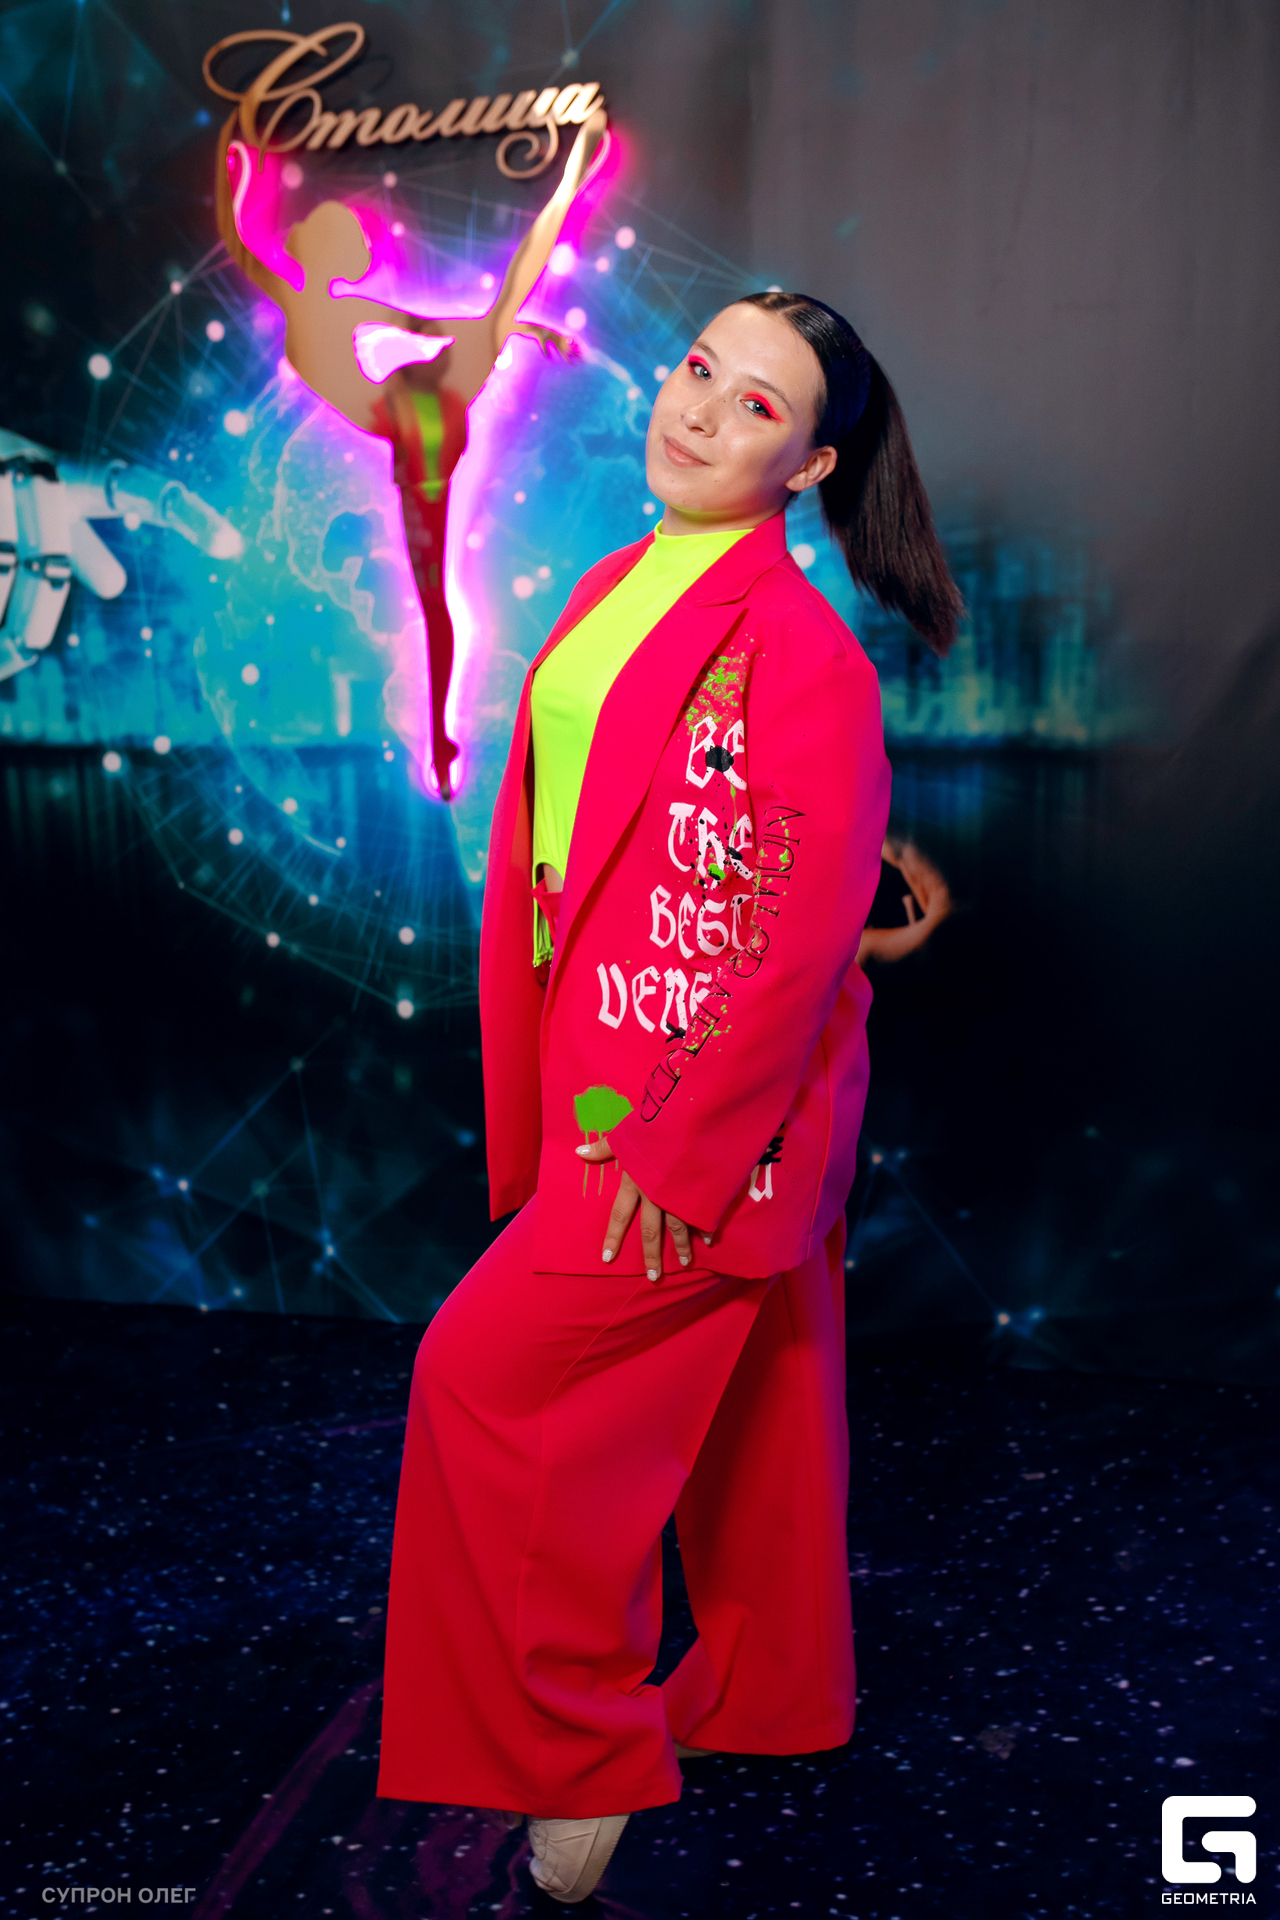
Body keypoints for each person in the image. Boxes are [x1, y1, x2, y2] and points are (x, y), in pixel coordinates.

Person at [377, 290, 963, 1903]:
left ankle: (579, 1755)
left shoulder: (809, 662)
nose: (699, 411)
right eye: (700, 370)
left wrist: (686, 1146)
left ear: (811, 466)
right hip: (604, 1058)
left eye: (756, 405)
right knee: (766, 1407)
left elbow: (796, 934)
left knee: (482, 1384)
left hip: (693, 1109)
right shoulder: (612, 584)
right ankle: (775, 1695)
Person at [213, 109, 606, 797]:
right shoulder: (326, 306)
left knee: (433, 602)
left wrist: (519, 329)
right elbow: (239, 240)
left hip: (412, 421)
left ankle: (441, 741)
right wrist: (234, 169)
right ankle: (572, 176)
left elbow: (432, 322)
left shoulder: (330, 307)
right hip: (415, 420)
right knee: (432, 602)